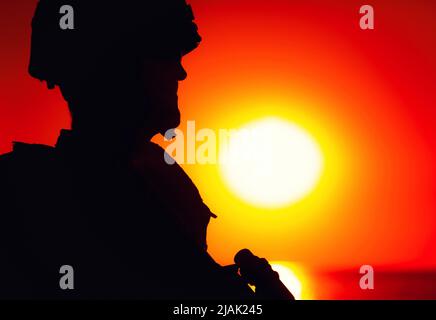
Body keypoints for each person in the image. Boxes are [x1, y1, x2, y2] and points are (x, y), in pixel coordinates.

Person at [0, 0, 292, 300]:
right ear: (115, 67)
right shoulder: (39, 196)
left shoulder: (156, 178)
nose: (180, 74)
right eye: (166, 54)